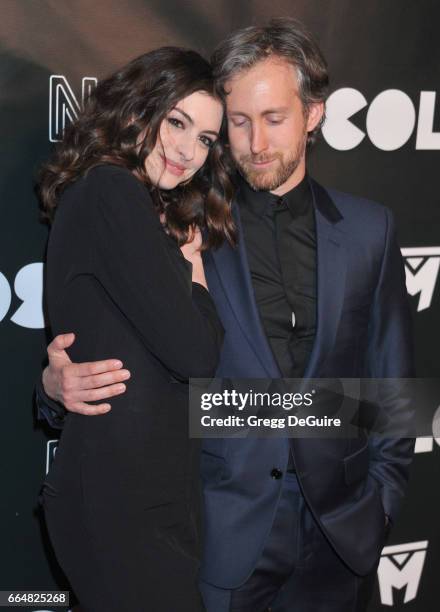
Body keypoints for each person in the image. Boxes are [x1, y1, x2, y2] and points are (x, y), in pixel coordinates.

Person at [37, 20, 415, 612]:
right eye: (238, 122)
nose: (256, 142)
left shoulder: (372, 230)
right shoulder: (178, 225)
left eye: (274, 118)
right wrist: (53, 388)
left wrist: (381, 503)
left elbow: (393, 389)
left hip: (342, 539)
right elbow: (138, 365)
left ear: (313, 114)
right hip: (218, 538)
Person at [38, 46, 237, 612]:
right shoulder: (111, 190)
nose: (188, 150)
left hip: (143, 495)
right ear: (137, 109)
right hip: (120, 500)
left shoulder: (134, 204)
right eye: (177, 122)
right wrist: (196, 274)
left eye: (205, 138)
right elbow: (197, 356)